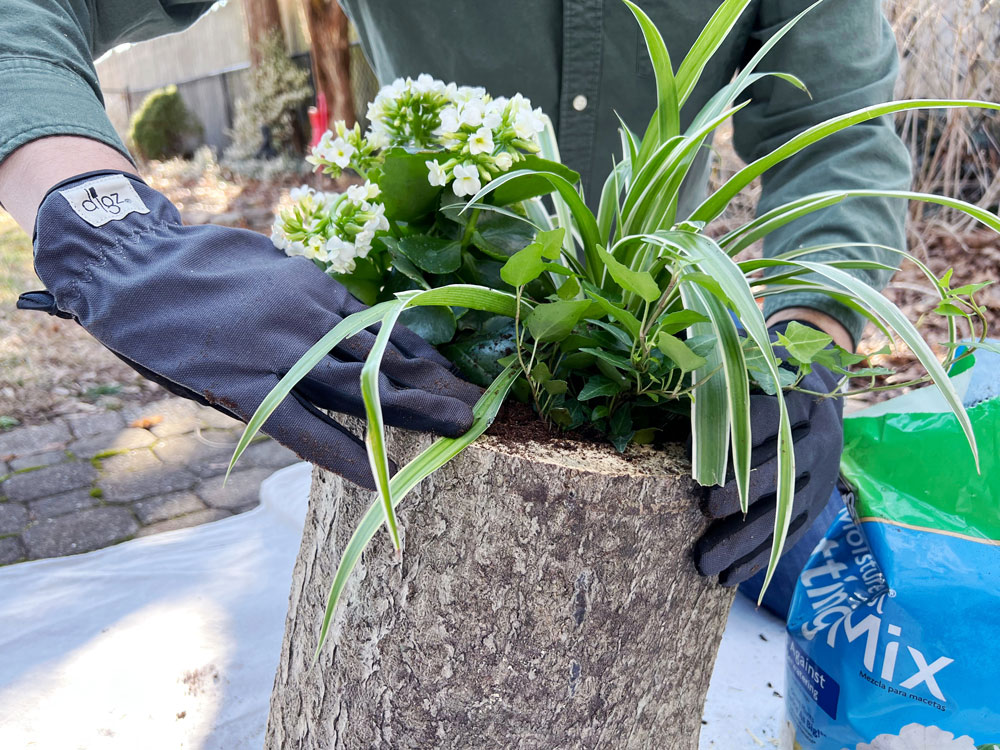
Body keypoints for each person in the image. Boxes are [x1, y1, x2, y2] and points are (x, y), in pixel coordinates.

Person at [0, 0, 910, 608]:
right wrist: (107, 223)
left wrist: (803, 346)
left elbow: (836, 132)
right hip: (415, 381)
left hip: (664, 380)